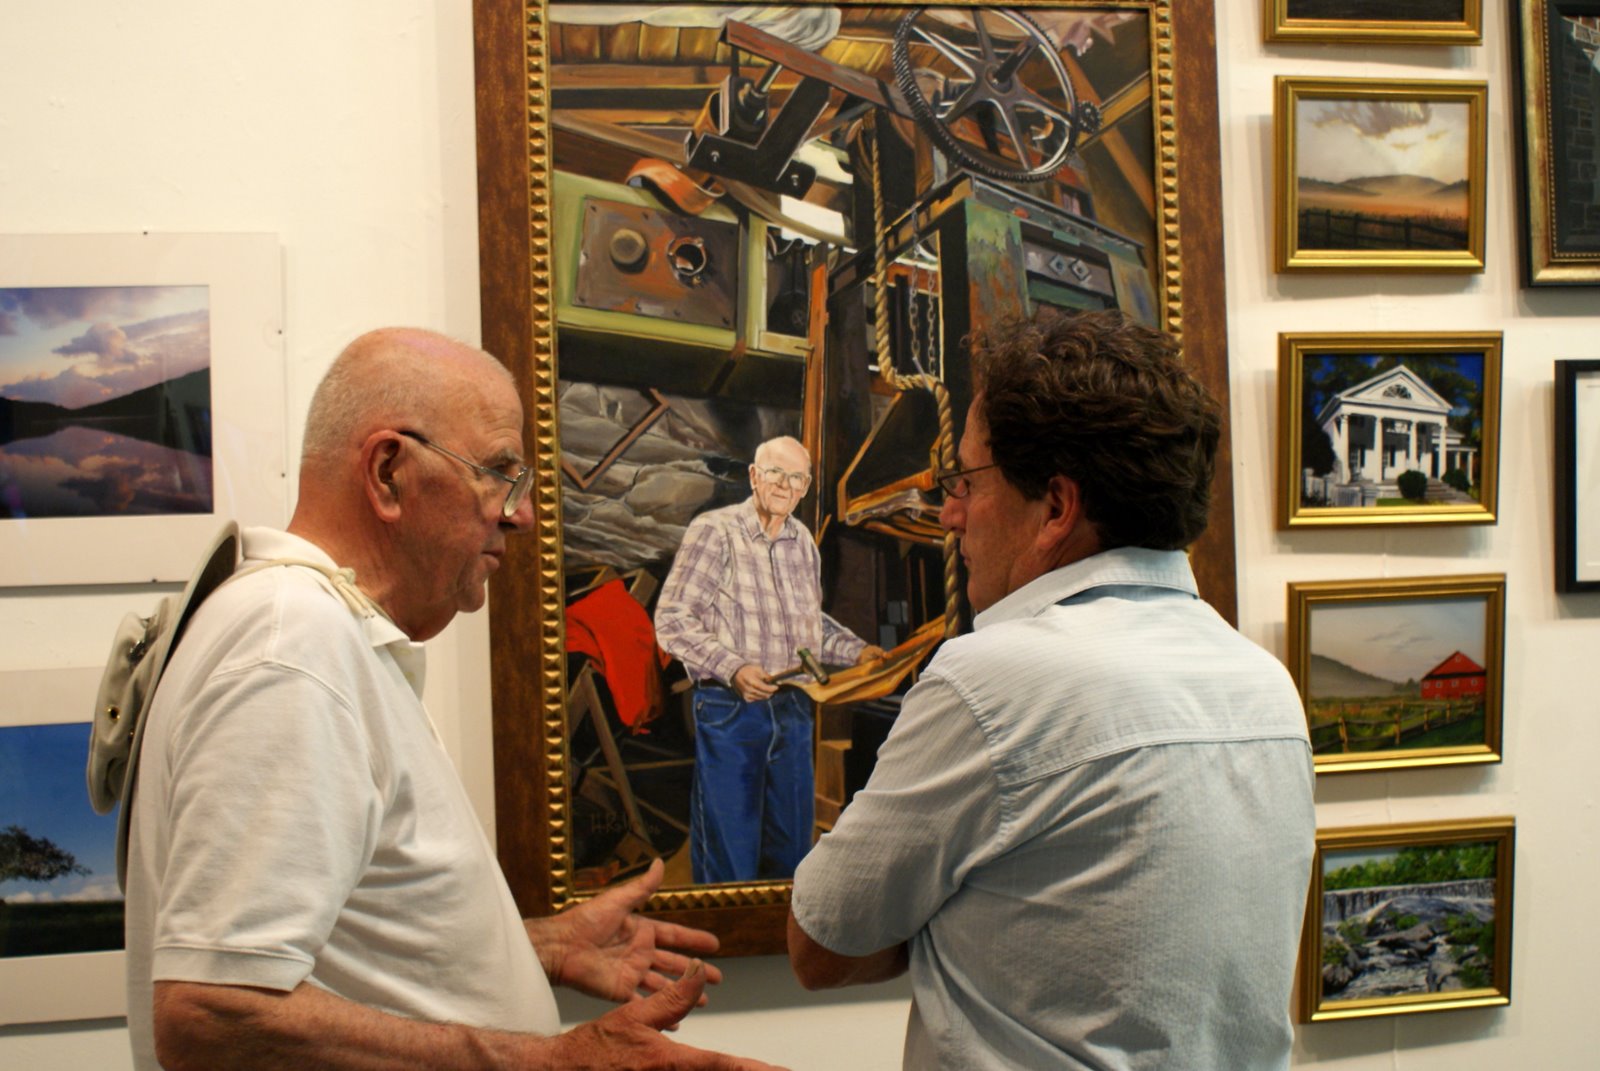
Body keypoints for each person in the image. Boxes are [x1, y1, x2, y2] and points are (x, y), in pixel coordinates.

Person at [124, 328, 781, 1071]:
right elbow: (211, 1012)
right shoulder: (294, 647)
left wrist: (530, 946)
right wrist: (552, 1062)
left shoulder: (313, 633)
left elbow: (337, 948)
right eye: (498, 473)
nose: (522, 514)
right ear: (388, 473)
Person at [786, 308, 1316, 1070]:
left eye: (967, 480)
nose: (950, 513)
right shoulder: (1267, 688)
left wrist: (939, 914)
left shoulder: (989, 682)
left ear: (1057, 508)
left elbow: (821, 945)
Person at [654, 435, 883, 884]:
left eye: (796, 478)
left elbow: (808, 626)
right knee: (730, 857)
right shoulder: (715, 530)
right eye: (775, 472)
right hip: (731, 710)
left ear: (805, 487)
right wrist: (734, 668)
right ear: (754, 476)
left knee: (792, 854)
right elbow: (673, 619)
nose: (784, 485)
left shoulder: (802, 542)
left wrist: (857, 650)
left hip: (793, 708)